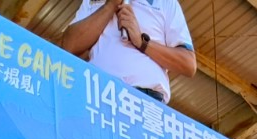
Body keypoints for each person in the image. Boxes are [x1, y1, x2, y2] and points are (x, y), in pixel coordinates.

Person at [62, 0, 195, 105]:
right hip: (97, 95)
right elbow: (68, 46)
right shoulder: (92, 1)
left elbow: (188, 63)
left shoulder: (166, 3)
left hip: (146, 101)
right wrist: (110, 6)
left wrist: (142, 42)